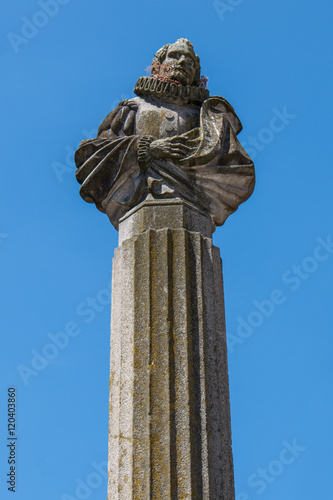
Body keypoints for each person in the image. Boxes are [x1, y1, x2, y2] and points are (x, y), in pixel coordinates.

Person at [75, 38, 255, 229]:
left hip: (196, 209)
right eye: (175, 56)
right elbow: (97, 155)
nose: (183, 62)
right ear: (157, 65)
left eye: (190, 61)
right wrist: (146, 148)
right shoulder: (133, 108)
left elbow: (238, 167)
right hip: (139, 206)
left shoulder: (210, 118)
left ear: (196, 73)